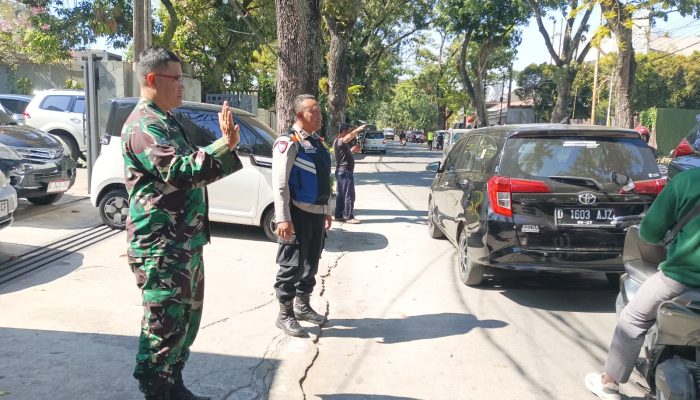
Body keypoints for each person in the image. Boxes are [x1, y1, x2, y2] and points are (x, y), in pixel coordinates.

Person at [122, 47, 243, 400]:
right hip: (161, 245)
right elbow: (179, 171)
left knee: (184, 322)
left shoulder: (166, 119)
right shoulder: (145, 125)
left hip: (182, 241)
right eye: (175, 79)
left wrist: (224, 146)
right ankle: (157, 389)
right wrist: (224, 145)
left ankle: (174, 385)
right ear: (151, 80)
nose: (182, 87)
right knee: (163, 324)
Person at [585, 166, 700, 400]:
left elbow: (649, 232)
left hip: (680, 279)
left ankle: (608, 382)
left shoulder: (686, 181)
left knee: (632, 318)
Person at [272, 94, 333, 338]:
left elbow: (325, 179)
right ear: (300, 115)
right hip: (296, 214)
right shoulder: (288, 142)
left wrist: (327, 209)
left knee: (311, 262)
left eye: (320, 112)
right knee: (291, 265)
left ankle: (302, 305)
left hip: (316, 214)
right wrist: (283, 218)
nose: (320, 116)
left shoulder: (317, 142)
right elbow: (280, 184)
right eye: (314, 112)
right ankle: (284, 314)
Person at [333, 122, 366, 224]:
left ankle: (339, 215)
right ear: (343, 132)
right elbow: (347, 138)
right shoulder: (340, 141)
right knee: (349, 195)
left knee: (341, 195)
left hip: (342, 172)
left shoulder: (341, 142)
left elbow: (344, 154)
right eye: (349, 132)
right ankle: (349, 216)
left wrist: (352, 151)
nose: (351, 134)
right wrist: (357, 130)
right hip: (345, 172)